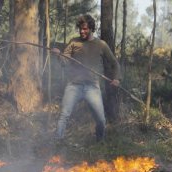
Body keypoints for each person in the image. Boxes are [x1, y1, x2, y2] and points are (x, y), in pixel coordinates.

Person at [52, 14, 121, 142]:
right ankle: (57, 142)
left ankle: (100, 142)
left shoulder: (101, 44)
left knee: (101, 120)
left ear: (91, 29)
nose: (82, 31)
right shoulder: (74, 42)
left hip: (92, 88)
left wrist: (116, 78)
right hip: (74, 85)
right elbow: (64, 62)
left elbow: (114, 63)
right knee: (64, 115)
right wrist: (58, 55)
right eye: (80, 29)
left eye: (85, 29)